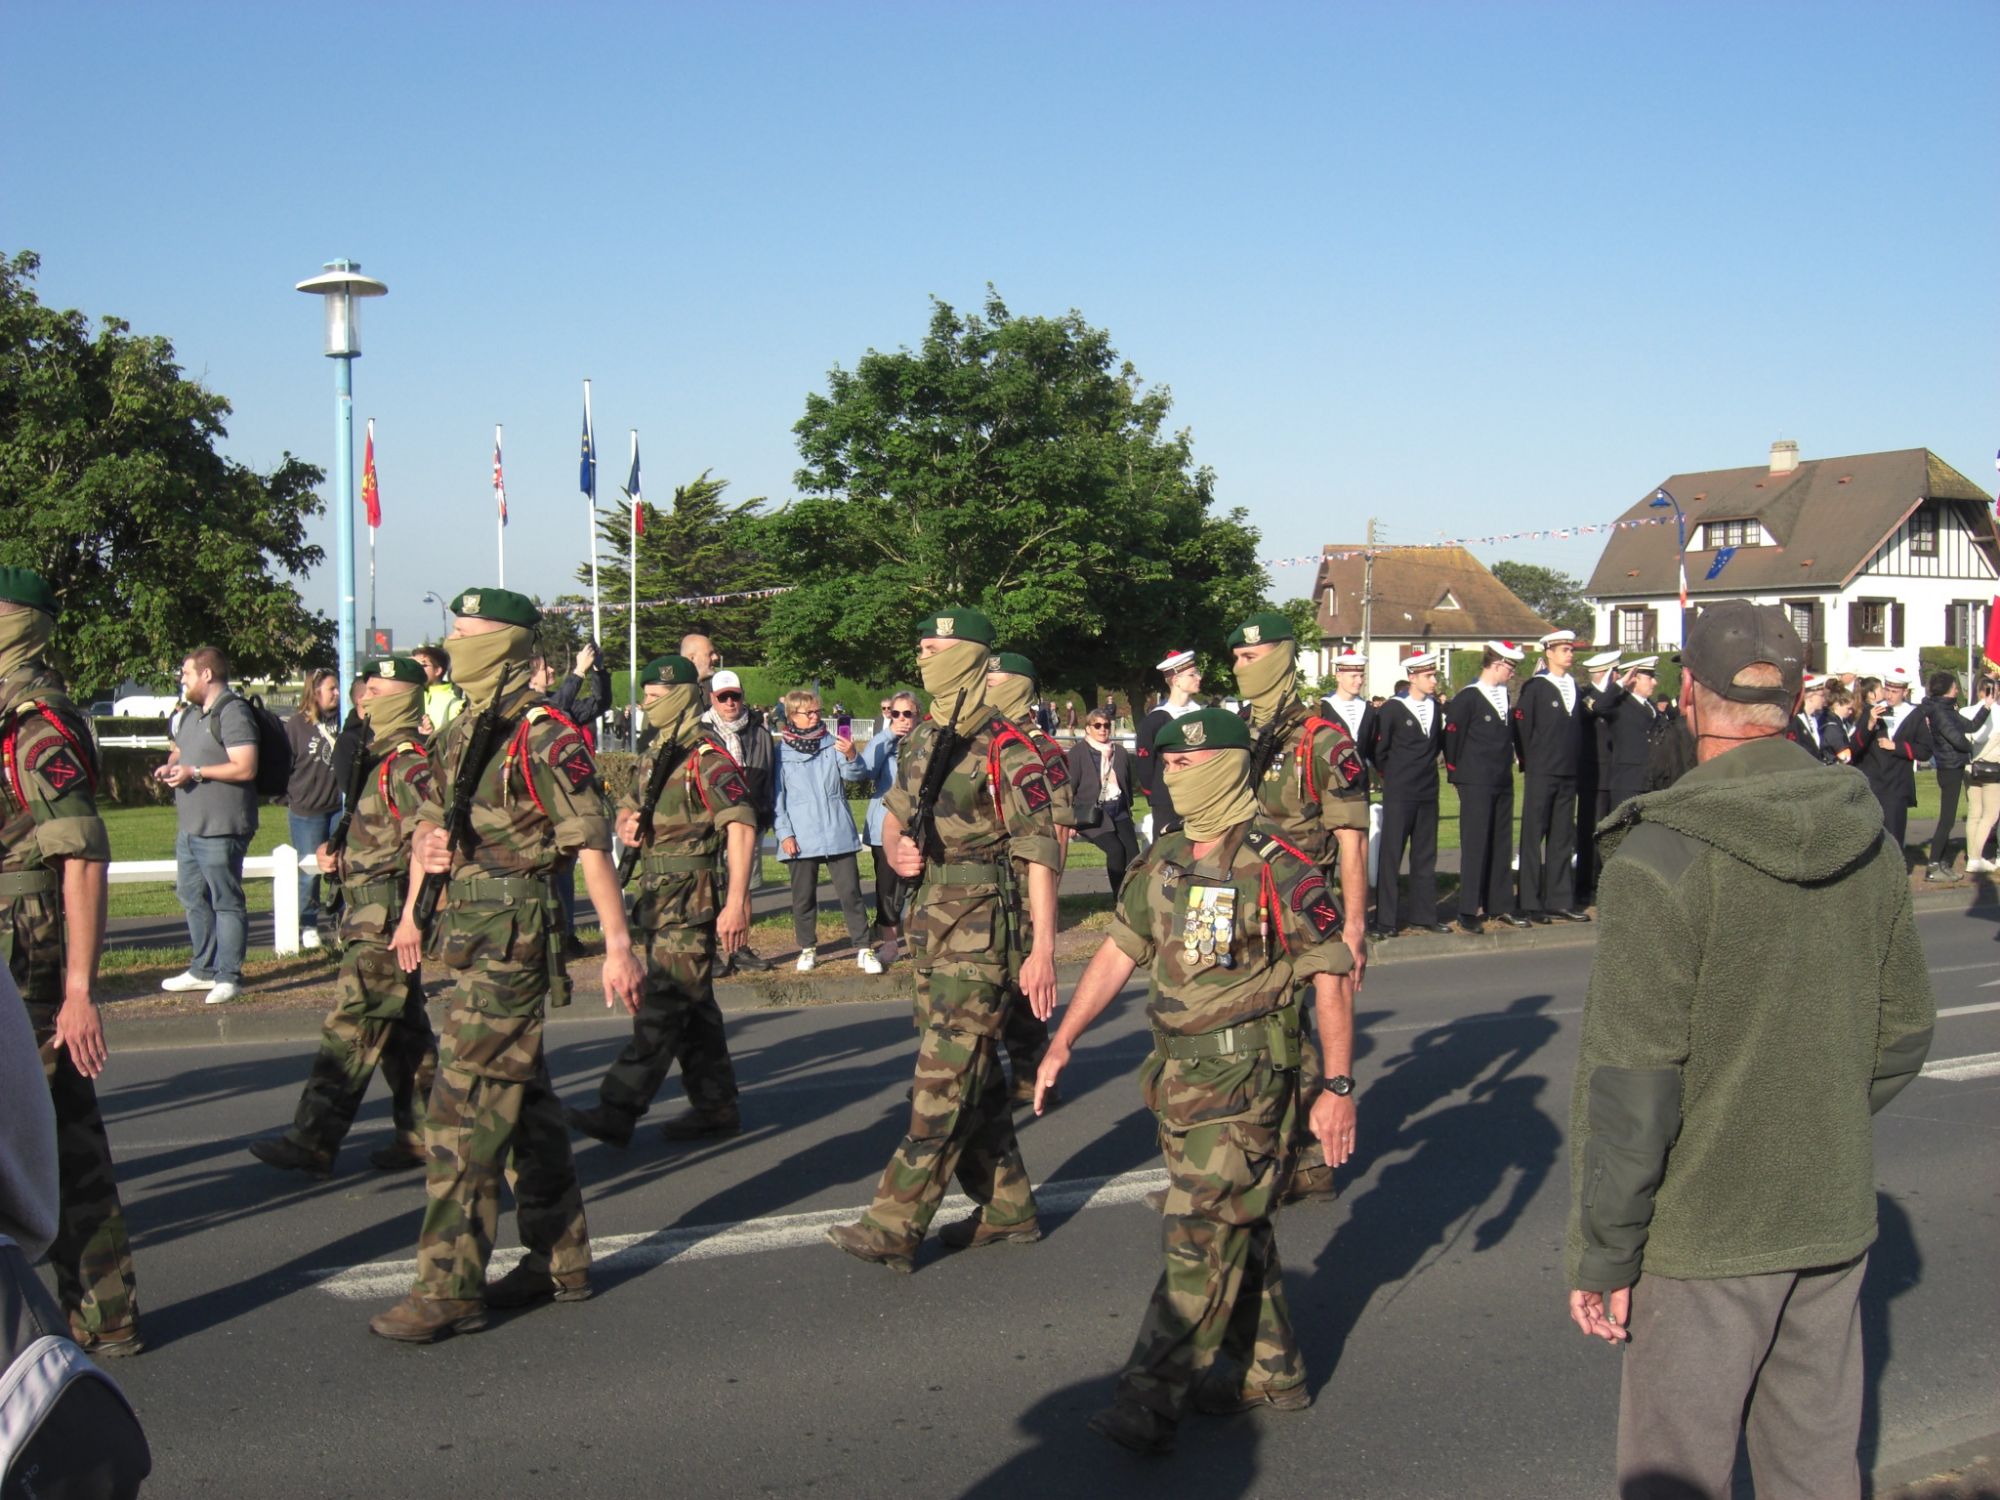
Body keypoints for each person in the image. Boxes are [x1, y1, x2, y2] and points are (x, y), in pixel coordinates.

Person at [1565, 599, 1934, 1500]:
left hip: (1706, 1227)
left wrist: (1606, 1252)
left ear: (1689, 696)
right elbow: (1904, 1029)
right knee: (1816, 1469)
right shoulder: (1870, 838)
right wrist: (1813, 1108)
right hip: (1827, 1203)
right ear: (1797, 698)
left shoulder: (1661, 856)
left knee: (1675, 1474)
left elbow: (1634, 1081)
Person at [1033, 706, 1357, 1455]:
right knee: (1234, 1220)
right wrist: (1064, 1040)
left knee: (1196, 1230)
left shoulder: (1279, 865)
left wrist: (1337, 1090)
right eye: (1167, 763)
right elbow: (1119, 949)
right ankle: (1274, 1369)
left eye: (1186, 764)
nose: (1171, 775)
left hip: (1247, 1080)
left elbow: (1332, 978)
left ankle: (1149, 1400)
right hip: (1179, 1078)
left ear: (1229, 765)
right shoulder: (1168, 856)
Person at [367, 587, 644, 1342]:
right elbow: (433, 826)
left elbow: (589, 842)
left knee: (461, 1113)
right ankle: (561, 1258)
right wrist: (420, 881)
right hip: (469, 933)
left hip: (514, 937)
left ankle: (447, 1288)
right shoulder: (463, 731)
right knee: (525, 1105)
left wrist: (618, 947)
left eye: (468, 632)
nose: (454, 643)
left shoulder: (544, 734)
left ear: (508, 643)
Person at [826, 608, 1059, 1273]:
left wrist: (1043, 949)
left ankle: (893, 1225)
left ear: (969, 655)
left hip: (984, 929)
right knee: (970, 1076)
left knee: (941, 1081)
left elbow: (1042, 850)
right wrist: (897, 849)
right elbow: (896, 811)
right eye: (921, 647)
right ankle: (1008, 1206)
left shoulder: (1009, 747)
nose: (922, 657)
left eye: (934, 647)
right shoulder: (927, 736)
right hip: (932, 924)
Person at [0, 568, 140, 1356]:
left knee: (57, 1130)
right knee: (58, 1129)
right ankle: (104, 1312)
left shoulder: (36, 725)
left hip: (31, 955)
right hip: (18, 948)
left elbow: (82, 854)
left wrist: (80, 992)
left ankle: (101, 1313)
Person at [249, 656, 439, 1177]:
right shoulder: (377, 758)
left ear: (403, 697)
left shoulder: (408, 765)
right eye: (364, 689)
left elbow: (428, 844)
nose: (364, 698)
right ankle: (424, 1135)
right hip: (368, 911)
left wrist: (413, 918)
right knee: (404, 1036)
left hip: (386, 920)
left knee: (350, 1027)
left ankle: (312, 1139)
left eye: (376, 690)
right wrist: (339, 851)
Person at [566, 654, 757, 1149]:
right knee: (694, 1008)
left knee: (665, 1004)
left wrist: (737, 901)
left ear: (679, 698)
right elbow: (629, 806)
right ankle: (716, 1107)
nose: (646, 706)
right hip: (658, 898)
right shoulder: (657, 755)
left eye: (655, 698)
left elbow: (741, 825)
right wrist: (627, 822)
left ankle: (618, 1108)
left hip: (690, 901)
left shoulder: (706, 757)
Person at [1229, 610, 1368, 1206]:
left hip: (1301, 910)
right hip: (1241, 905)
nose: (1241, 668)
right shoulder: (1233, 732)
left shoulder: (1323, 740)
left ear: (1283, 657)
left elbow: (1352, 841)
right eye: (1236, 658)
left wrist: (1355, 929)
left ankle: (1264, 1169)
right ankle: (1306, 1162)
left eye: (1251, 657)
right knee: (1274, 1033)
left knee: (1274, 1034)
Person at [985, 652, 1077, 1104]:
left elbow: (1057, 829)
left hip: (1025, 885)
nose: (988, 689)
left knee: (1024, 984)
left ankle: (1029, 1077)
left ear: (1021, 687)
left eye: (996, 682)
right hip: (986, 885)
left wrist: (1047, 898)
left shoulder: (1042, 750)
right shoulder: (982, 741)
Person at [155, 644, 260, 1004]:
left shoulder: (233, 712)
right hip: (191, 826)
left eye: (186, 673)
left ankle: (229, 975)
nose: (182, 680)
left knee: (226, 901)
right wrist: (172, 766)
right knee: (191, 896)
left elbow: (245, 766)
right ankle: (203, 969)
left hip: (223, 826)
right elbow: (181, 752)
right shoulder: (191, 714)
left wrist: (195, 771)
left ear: (206, 674)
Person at [771, 688, 877, 973]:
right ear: (792, 715)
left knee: (851, 893)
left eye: (818, 711)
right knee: (803, 897)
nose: (815, 716)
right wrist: (784, 833)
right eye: (808, 712)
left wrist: (852, 755)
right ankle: (807, 948)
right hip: (800, 835)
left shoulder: (833, 743)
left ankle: (864, 948)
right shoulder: (780, 752)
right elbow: (776, 797)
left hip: (837, 830)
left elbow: (854, 776)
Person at [1444, 641, 1531, 933]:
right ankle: (1468, 909)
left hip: (1501, 778)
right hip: (1476, 779)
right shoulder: (1469, 697)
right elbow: (1453, 738)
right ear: (1496, 664)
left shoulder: (1502, 695)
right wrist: (1456, 775)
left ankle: (1500, 904)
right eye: (1510, 667)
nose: (1512, 673)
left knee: (1501, 841)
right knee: (1475, 843)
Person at [1514, 628, 1595, 923]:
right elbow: (1523, 728)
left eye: (1571, 649)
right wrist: (1532, 762)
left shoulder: (1573, 685)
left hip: (1568, 771)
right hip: (1542, 770)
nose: (1570, 654)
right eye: (1564, 650)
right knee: (1533, 835)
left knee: (1561, 837)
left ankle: (1559, 899)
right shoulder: (1536, 687)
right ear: (1549, 653)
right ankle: (1529, 901)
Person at [1368, 650, 1448, 937]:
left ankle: (1423, 915)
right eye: (1428, 676)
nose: (1434, 680)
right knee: (1392, 855)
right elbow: (1380, 750)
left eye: (1434, 675)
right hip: (1400, 791)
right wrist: (1393, 776)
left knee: (1425, 854)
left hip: (1427, 790)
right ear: (1412, 677)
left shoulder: (1435, 707)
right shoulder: (1392, 709)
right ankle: (1386, 920)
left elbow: (1436, 745)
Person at [702, 668, 777, 973]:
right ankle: (709, 951)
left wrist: (763, 811)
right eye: (723, 697)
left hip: (748, 818)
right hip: (709, 822)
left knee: (742, 884)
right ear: (712, 699)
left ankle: (739, 950)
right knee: (707, 887)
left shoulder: (759, 733)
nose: (730, 702)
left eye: (734, 696)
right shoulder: (700, 732)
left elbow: (769, 775)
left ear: (742, 696)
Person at [860, 691, 919, 964]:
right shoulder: (882, 742)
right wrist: (887, 736)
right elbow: (864, 770)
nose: (901, 719)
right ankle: (890, 944)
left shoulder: (926, 742)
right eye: (895, 713)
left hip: (918, 826)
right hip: (884, 825)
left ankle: (921, 940)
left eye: (908, 713)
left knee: (921, 886)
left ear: (917, 716)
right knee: (887, 888)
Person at [284, 667, 341, 949]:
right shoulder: (296, 726)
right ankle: (308, 923)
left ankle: (342, 919)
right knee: (309, 872)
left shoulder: (345, 720)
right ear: (315, 692)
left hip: (338, 808)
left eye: (338, 688)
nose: (337, 693)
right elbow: (284, 763)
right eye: (331, 689)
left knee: (341, 866)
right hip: (307, 810)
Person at [1853, 669, 1930, 860]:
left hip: (1896, 784)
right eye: (1887, 690)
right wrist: (1869, 725)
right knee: (1869, 838)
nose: (1889, 695)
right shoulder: (1873, 711)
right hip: (1873, 782)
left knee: (1894, 837)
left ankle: (1896, 873)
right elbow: (1854, 748)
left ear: (1905, 692)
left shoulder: (1915, 715)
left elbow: (1925, 750)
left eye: (1895, 691)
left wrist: (1897, 746)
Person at [1922, 669, 1990, 879]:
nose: (1957, 690)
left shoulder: (1948, 709)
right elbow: (1957, 739)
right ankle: (1934, 865)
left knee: (1949, 818)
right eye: (1954, 687)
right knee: (1947, 819)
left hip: (1955, 765)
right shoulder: (1939, 711)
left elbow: (1971, 726)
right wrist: (1971, 748)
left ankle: (1941, 861)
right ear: (1946, 690)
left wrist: (1986, 707)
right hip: (1949, 767)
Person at [1066, 706, 1139, 896]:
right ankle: (1119, 897)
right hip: (1092, 814)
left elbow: (1127, 783)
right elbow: (1068, 788)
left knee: (1133, 853)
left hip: (1119, 810)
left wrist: (1127, 809)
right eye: (1097, 725)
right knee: (1116, 851)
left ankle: (1132, 896)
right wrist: (1068, 820)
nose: (1102, 729)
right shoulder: (1078, 753)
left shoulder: (1119, 752)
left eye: (1106, 725)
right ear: (1088, 728)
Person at [1134, 649, 1203, 837]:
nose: (1199, 677)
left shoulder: (1202, 715)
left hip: (1200, 795)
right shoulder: (1156, 719)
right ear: (1176, 680)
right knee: (1167, 847)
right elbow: (1145, 764)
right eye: (1192, 674)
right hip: (1167, 797)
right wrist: (1155, 793)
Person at [1573, 648, 1622, 908]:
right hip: (1593, 774)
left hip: (1612, 772)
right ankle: (1585, 885)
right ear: (1607, 673)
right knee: (1589, 832)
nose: (1619, 678)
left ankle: (1605, 881)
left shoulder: (1615, 697)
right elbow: (1595, 711)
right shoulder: (1585, 696)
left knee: (1610, 832)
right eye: (1616, 673)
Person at [1588, 656, 1666, 814]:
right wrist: (1621, 683)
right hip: (1628, 782)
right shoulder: (1620, 704)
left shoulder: (1651, 706)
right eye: (1650, 678)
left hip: (1651, 780)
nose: (1655, 682)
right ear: (1634, 678)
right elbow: (1599, 707)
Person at [1319, 649, 1377, 797]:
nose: (1359, 681)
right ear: (1339, 676)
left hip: (1360, 785)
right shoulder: (1323, 709)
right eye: (1353, 676)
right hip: (1330, 785)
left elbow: (1372, 748)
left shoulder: (1368, 710)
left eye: (1361, 676)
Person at [1962, 679, 2000, 872]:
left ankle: (1972, 857)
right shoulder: (1998, 713)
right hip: (1992, 767)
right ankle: (1976, 857)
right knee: (1990, 815)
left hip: (1970, 767)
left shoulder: (1965, 712)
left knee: (1974, 814)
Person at [412, 645, 463, 739]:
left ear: (437, 670)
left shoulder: (455, 703)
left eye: (422, 666)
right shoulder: (410, 697)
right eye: (413, 665)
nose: (416, 670)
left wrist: (431, 736)